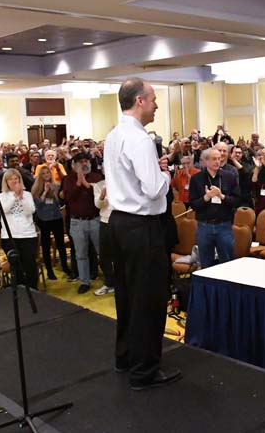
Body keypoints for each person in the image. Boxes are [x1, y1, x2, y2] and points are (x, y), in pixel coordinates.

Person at [105, 77, 181, 389]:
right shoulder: (139, 139)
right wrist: (165, 174)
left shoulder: (114, 135)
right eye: (153, 99)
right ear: (139, 101)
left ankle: (125, 357)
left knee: (126, 295)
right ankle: (145, 370)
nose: (156, 105)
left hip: (119, 223)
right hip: (142, 227)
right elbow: (152, 190)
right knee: (148, 299)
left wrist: (155, 167)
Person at [189, 148, 241, 269]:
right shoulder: (196, 179)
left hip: (224, 226)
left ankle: (227, 288)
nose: (217, 161)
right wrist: (207, 197)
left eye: (219, 158)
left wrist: (221, 196)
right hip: (204, 226)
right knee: (205, 263)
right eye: (214, 159)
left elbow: (237, 200)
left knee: (227, 263)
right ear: (206, 161)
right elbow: (193, 204)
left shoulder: (229, 177)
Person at [62, 153, 104, 294]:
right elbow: (68, 198)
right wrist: (78, 185)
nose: (84, 163)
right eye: (80, 162)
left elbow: (101, 197)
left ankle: (109, 280)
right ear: (74, 165)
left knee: (102, 252)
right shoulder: (68, 179)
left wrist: (87, 185)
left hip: (96, 220)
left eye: (86, 161)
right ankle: (85, 281)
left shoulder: (96, 177)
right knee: (81, 254)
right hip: (77, 222)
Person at [0, 168, 38, 290]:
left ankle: (32, 288)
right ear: (6, 181)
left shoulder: (27, 195)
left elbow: (30, 211)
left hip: (27, 235)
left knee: (30, 264)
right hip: (10, 236)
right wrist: (15, 196)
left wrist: (21, 198)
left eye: (16, 178)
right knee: (16, 265)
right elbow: (4, 210)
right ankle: (19, 289)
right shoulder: (2, 196)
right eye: (11, 179)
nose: (14, 181)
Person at [31, 165, 71, 280]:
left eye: (47, 173)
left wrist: (54, 193)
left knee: (60, 244)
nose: (46, 175)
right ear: (40, 176)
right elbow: (37, 205)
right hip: (43, 219)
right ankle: (49, 270)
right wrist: (44, 192)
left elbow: (60, 203)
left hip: (56, 218)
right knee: (46, 246)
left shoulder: (57, 186)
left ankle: (65, 266)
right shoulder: (36, 188)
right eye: (43, 174)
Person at [93, 178, 115, 296]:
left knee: (120, 255)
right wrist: (102, 195)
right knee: (104, 255)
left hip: (120, 221)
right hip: (105, 221)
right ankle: (109, 282)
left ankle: (121, 283)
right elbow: (98, 205)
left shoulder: (123, 181)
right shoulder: (99, 184)